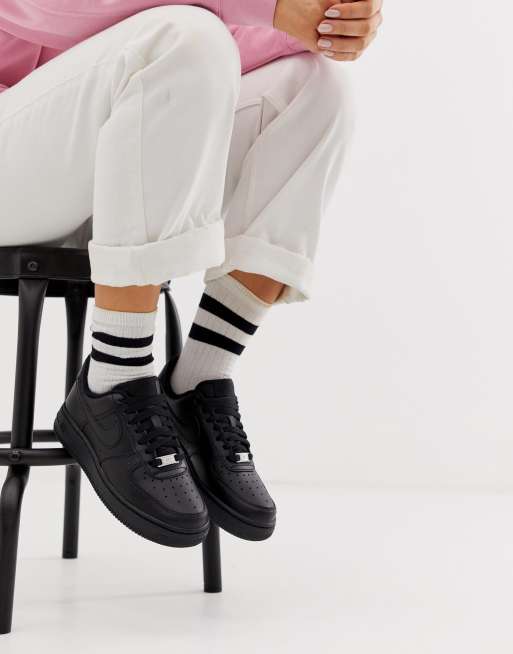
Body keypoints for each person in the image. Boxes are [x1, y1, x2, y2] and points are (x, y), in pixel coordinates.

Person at [0, 0, 383, 547]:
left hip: (91, 157)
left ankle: (196, 383)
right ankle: (115, 377)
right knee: (188, 35)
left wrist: (323, 21)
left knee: (315, 86)